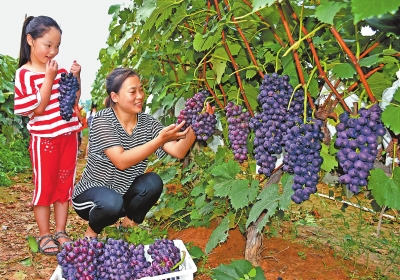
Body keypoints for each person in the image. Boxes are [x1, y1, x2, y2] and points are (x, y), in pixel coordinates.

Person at [72, 67, 214, 238]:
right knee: (111, 202)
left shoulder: (147, 122)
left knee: (153, 182)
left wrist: (197, 124)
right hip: (91, 197)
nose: (140, 96)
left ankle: (128, 226)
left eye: (141, 89)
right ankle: (91, 233)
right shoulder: (103, 120)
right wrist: (158, 140)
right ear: (114, 97)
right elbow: (121, 161)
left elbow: (178, 151)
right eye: (133, 91)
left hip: (122, 194)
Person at [13, 15, 81, 255]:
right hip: (45, 140)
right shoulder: (24, 74)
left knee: (64, 186)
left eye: (57, 46)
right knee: (45, 187)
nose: (53, 51)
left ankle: (61, 231)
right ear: (30, 40)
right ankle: (44, 235)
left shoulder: (60, 70)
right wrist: (49, 79)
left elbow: (71, 100)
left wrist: (76, 77)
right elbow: (37, 110)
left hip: (67, 137)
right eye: (48, 45)